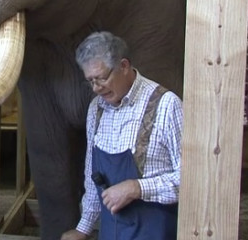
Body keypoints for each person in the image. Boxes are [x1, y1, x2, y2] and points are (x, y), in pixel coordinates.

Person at [61, 31, 183, 240]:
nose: (97, 88)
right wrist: (83, 228)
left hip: (156, 232)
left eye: (102, 78)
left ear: (124, 66)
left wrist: (137, 188)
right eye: (90, 81)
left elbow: (189, 180)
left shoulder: (167, 105)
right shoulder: (96, 110)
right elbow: (93, 178)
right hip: (112, 233)